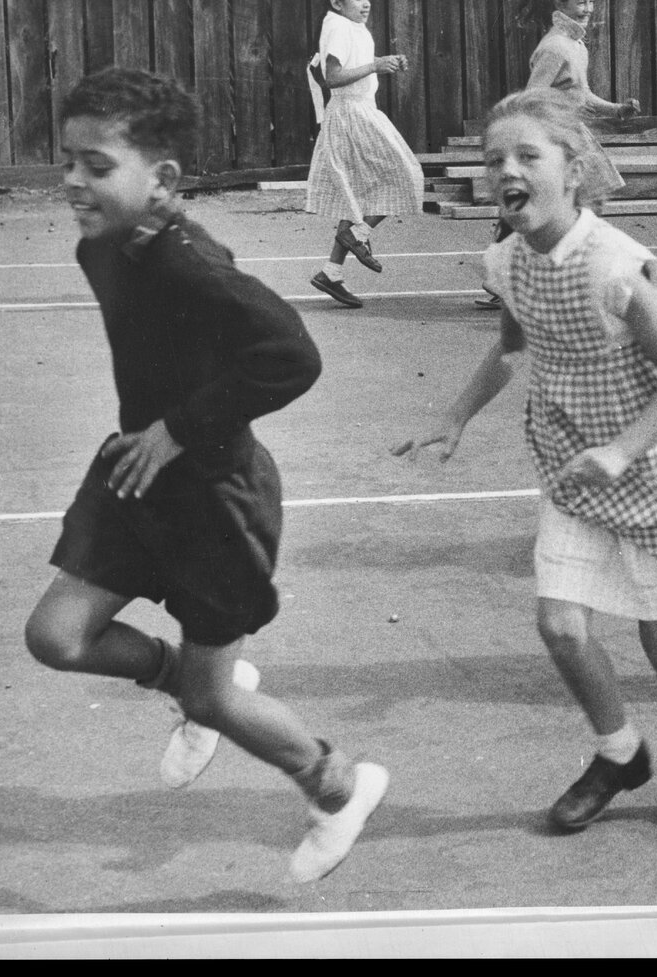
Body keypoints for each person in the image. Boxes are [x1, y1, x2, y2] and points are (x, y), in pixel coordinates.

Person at [26, 67, 387, 882]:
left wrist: (179, 429)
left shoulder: (190, 262)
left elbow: (293, 354)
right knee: (56, 636)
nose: (74, 181)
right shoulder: (104, 245)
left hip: (215, 499)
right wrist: (156, 434)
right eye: (68, 161)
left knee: (213, 698)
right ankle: (184, 679)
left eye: (96, 166)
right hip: (137, 476)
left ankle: (338, 785)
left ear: (163, 183)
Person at [396, 89, 657, 839]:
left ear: (573, 171)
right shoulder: (505, 260)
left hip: (650, 461)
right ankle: (620, 753)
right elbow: (511, 349)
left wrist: (621, 448)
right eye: (494, 158)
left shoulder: (612, 265)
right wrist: (452, 418)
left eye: (527, 155)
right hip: (572, 463)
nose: (506, 169)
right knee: (561, 624)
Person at [475, 0, 639, 310]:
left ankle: (563, 272)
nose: (588, 9)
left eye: (592, 2)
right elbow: (532, 97)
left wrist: (617, 109)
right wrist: (532, 141)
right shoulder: (553, 47)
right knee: (561, 202)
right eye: (581, 2)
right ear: (560, 4)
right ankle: (511, 269)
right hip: (554, 135)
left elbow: (584, 94)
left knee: (586, 201)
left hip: (573, 132)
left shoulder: (576, 45)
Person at [305, 0, 424, 309]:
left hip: (358, 109)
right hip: (353, 113)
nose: (366, 2)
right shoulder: (339, 26)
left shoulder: (348, 26)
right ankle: (357, 234)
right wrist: (375, 65)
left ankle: (332, 272)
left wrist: (382, 64)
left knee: (358, 191)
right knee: (409, 174)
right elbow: (333, 77)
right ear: (336, 2)